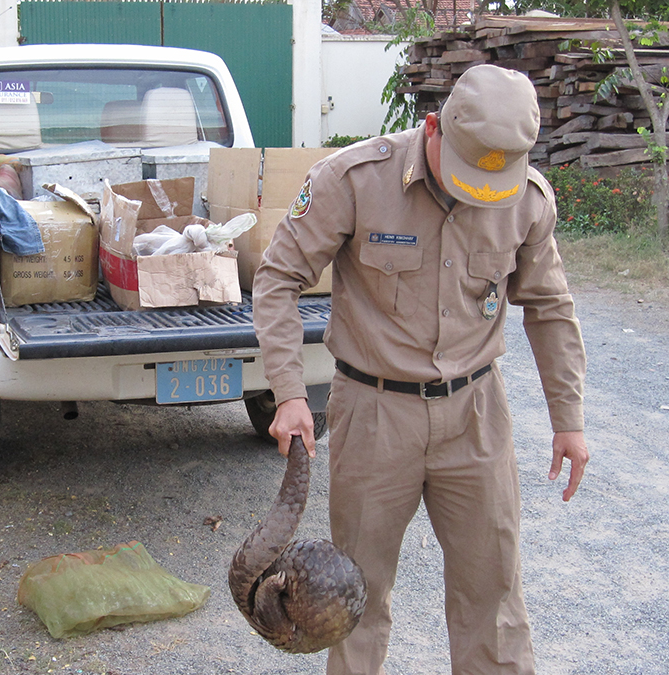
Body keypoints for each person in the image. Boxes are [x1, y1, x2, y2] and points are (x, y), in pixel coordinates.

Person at [252, 64, 589, 675]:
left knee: (494, 594)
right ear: (435, 127)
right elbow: (278, 278)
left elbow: (549, 309)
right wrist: (289, 392)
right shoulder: (354, 178)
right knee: (353, 597)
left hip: (476, 416)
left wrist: (569, 420)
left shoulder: (527, 200)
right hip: (375, 413)